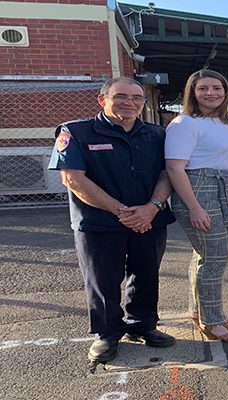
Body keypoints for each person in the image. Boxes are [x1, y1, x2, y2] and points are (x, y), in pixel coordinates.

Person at [49, 77, 176, 363]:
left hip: (149, 220)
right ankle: (107, 333)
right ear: (102, 99)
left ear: (143, 103)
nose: (129, 103)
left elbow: (168, 173)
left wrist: (152, 208)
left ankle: (142, 325)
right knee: (102, 280)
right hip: (99, 224)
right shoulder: (76, 132)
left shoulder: (158, 135)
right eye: (120, 96)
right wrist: (122, 212)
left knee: (146, 275)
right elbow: (73, 178)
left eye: (136, 98)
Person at [165, 69, 228, 342]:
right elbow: (175, 169)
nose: (211, 93)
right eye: (203, 88)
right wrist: (194, 207)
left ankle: (198, 310)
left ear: (226, 92)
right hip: (200, 188)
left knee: (204, 254)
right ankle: (212, 321)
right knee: (216, 256)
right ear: (193, 92)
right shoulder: (185, 123)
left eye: (217, 88)